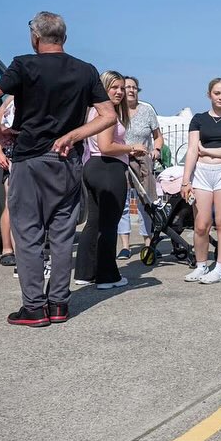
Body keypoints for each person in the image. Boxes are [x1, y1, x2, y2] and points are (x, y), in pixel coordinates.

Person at [0, 11, 114, 327]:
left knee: (28, 234)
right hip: (67, 162)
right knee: (63, 235)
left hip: (30, 160)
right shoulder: (86, 70)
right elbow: (108, 116)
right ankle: (59, 306)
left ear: (35, 37)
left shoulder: (24, 64)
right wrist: (73, 135)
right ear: (64, 38)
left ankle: (34, 308)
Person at [74, 71, 145, 289]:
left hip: (93, 167)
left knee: (94, 221)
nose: (120, 92)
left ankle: (85, 272)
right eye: (114, 87)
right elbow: (106, 146)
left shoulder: (93, 112)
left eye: (122, 88)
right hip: (107, 168)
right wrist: (132, 148)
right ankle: (107, 276)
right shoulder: (107, 114)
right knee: (109, 224)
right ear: (103, 88)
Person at [180, 78, 221, 284]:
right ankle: (201, 265)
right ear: (209, 94)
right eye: (217, 93)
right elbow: (192, 150)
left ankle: (220, 268)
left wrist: (207, 150)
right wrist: (185, 180)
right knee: (201, 224)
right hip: (201, 173)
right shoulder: (198, 119)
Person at [117, 75, 163, 258]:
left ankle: (149, 243)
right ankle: (125, 246)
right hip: (121, 160)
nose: (130, 90)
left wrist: (157, 149)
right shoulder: (115, 111)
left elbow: (158, 136)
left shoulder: (147, 110)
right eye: (127, 87)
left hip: (143, 161)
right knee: (123, 204)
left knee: (146, 202)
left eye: (134, 87)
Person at [0, 95, 18, 272]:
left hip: (28, 153)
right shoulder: (10, 99)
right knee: (11, 203)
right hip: (11, 154)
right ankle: (7, 249)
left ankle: (19, 250)